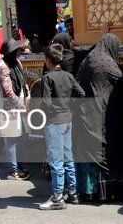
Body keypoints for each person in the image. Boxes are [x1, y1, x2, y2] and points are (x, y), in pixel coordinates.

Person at [74, 33, 122, 201]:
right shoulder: (107, 62)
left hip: (86, 113)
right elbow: (120, 83)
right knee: (106, 150)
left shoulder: (88, 58)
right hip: (103, 114)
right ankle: (108, 192)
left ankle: (90, 191)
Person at [39, 43, 85, 211]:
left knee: (56, 160)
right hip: (67, 120)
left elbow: (46, 102)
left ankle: (58, 196)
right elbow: (81, 94)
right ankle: (73, 193)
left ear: (48, 61)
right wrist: (68, 107)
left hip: (54, 122)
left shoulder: (47, 78)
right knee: (68, 157)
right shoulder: (68, 76)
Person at [0, 38, 31, 181]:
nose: (19, 51)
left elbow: (23, 82)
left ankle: (19, 166)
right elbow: (8, 92)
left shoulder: (17, 64)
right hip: (10, 108)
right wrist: (21, 105)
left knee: (22, 136)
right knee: (11, 139)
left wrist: (27, 98)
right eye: (17, 49)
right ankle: (13, 169)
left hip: (20, 104)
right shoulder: (3, 67)